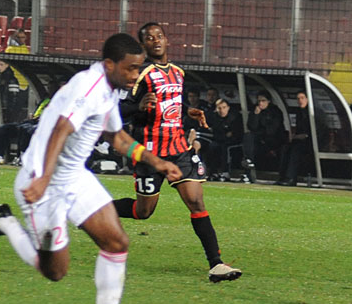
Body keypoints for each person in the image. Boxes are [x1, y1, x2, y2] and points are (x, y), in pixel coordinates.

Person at [0, 33, 182, 304]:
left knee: (117, 242)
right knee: (54, 272)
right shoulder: (88, 88)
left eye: (139, 69)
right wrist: (42, 178)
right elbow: (60, 129)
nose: (135, 76)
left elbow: (117, 138)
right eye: (130, 69)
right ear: (109, 64)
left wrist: (157, 161)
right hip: (43, 184)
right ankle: (6, 222)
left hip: (75, 178)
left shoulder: (108, 89)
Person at [113, 22, 242, 284]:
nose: (156, 41)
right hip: (151, 153)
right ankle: (95, 209)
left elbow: (172, 104)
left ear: (166, 40)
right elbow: (118, 110)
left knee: (196, 202)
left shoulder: (178, 73)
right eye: (149, 38)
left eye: (159, 36)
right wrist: (138, 106)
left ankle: (216, 264)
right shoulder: (140, 74)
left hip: (179, 148)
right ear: (144, 46)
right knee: (143, 211)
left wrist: (188, 112)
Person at [244, 90, 287, 174]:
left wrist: (260, 132)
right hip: (259, 139)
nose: (260, 103)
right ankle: (249, 162)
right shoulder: (255, 110)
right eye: (259, 101)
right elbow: (251, 127)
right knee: (248, 136)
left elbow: (272, 129)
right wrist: (256, 115)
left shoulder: (275, 111)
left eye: (263, 101)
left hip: (274, 139)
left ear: (269, 101)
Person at [276, 90, 313, 186]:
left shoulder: (314, 112)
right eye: (298, 98)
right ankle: (282, 176)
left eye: (302, 98)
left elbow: (318, 131)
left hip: (312, 142)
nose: (300, 101)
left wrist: (305, 136)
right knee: (285, 148)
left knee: (296, 150)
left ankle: (291, 178)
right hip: (300, 140)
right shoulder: (299, 113)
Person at [211, 98, 245, 182]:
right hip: (220, 139)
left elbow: (236, 132)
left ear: (228, 107)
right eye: (219, 108)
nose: (222, 110)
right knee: (211, 146)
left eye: (224, 107)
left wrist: (228, 134)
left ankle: (225, 172)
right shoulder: (214, 117)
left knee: (224, 147)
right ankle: (213, 172)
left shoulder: (235, 117)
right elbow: (215, 131)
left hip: (234, 141)